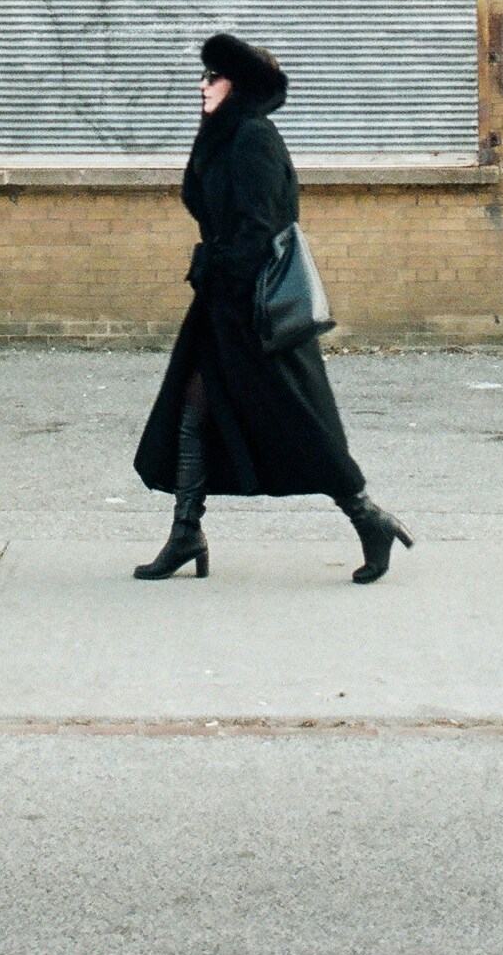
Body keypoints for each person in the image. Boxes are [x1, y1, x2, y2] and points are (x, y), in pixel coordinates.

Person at [131, 32, 413, 584]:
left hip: (252, 308)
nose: (203, 85)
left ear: (237, 86)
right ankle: (187, 530)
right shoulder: (223, 136)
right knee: (192, 412)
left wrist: (223, 277)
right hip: (223, 302)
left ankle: (368, 516)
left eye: (213, 77)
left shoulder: (254, 139)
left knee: (298, 417)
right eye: (205, 75)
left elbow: (261, 231)